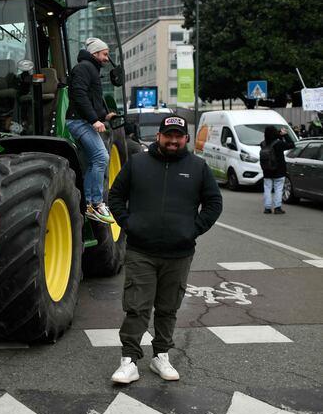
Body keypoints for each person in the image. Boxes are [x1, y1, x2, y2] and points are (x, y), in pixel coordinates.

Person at [107, 115, 223, 384]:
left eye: (178, 136)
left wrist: (192, 230)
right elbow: (115, 196)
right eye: (168, 135)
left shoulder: (198, 167)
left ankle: (161, 355)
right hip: (140, 251)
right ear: (158, 136)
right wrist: (129, 224)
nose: (173, 141)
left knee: (168, 308)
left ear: (186, 139)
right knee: (137, 307)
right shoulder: (137, 163)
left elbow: (214, 203)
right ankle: (129, 360)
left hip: (179, 253)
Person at [66, 37, 116, 224]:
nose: (106, 58)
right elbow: (79, 95)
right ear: (95, 53)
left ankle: (90, 205)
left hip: (84, 121)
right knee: (101, 158)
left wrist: (104, 116)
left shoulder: (89, 69)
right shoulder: (84, 68)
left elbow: (89, 98)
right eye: (104, 54)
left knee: (92, 162)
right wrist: (94, 120)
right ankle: (94, 204)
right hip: (80, 122)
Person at [260, 125, 294, 214]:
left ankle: (267, 208)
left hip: (267, 169)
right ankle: (277, 207)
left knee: (267, 188)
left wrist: (278, 135)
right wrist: (284, 135)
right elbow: (292, 145)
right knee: (278, 188)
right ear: (275, 133)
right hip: (279, 170)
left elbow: (271, 139)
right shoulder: (279, 144)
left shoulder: (262, 144)